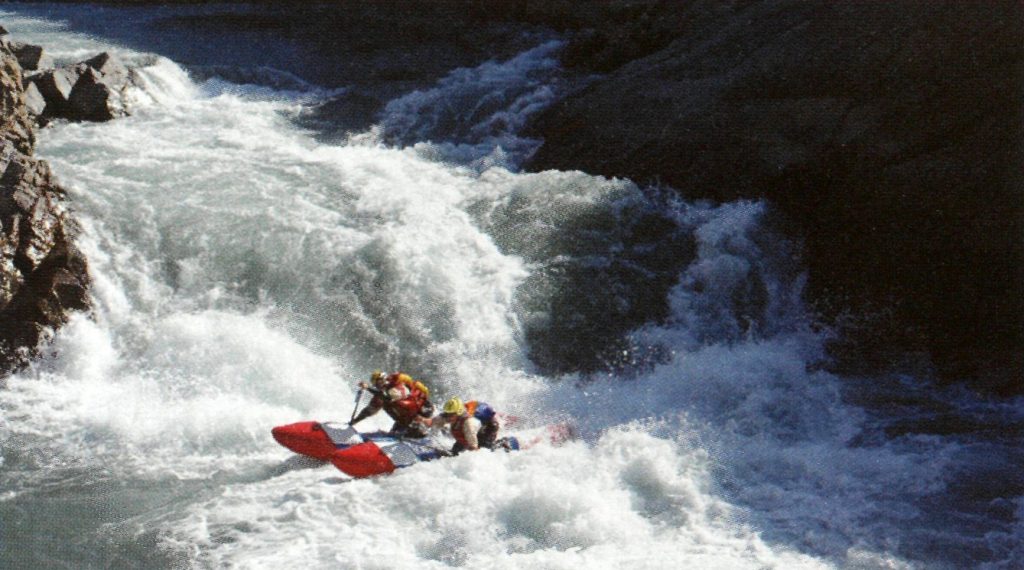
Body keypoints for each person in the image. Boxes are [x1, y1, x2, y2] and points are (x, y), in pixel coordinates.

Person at [350, 370, 434, 438]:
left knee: (397, 404)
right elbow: (368, 411)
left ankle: (423, 432)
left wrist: (368, 388)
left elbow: (388, 397)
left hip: (423, 410)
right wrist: (355, 421)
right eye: (377, 385)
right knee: (394, 434)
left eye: (379, 382)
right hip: (406, 420)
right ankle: (410, 432)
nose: (379, 386)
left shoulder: (398, 383)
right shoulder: (380, 396)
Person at [421, 397, 504, 454]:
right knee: (456, 450)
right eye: (447, 414)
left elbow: (474, 448)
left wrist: (474, 452)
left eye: (451, 415)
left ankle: (502, 444)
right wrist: (419, 420)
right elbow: (431, 422)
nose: (448, 417)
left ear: (458, 413)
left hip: (488, 426)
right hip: (472, 429)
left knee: (484, 447)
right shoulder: (448, 415)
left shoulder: (469, 423)